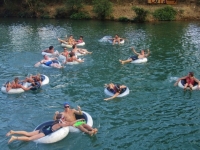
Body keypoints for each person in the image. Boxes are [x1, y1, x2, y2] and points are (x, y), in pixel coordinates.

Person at [6, 114, 82, 144]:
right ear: (62, 119)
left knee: (28, 133)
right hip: (44, 132)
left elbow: (57, 118)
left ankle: (13, 131)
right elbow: (70, 123)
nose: (65, 119)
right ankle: (14, 137)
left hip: (43, 129)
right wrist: (79, 121)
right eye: (64, 118)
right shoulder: (61, 123)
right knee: (30, 139)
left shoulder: (57, 121)